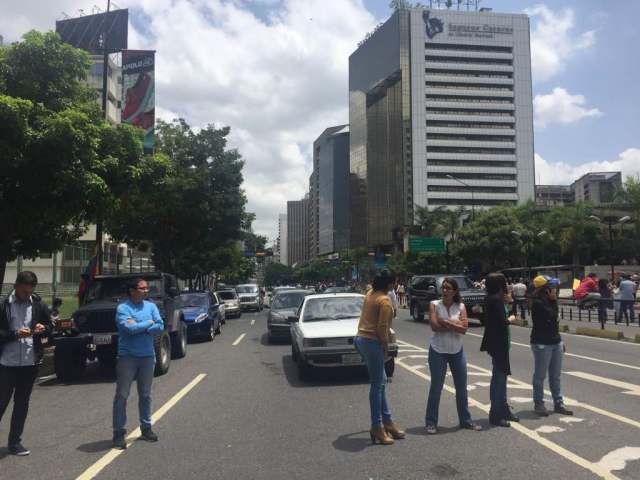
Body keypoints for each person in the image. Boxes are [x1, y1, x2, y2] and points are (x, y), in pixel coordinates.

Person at [0, 271, 53, 456]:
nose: (27, 296)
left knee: (21, 404)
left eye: (30, 292)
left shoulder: (37, 303)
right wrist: (15, 334)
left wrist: (43, 328)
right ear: (16, 286)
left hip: (30, 362)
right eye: (24, 292)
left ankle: (15, 443)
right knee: (1, 402)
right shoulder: (4, 304)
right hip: (7, 362)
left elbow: (50, 326)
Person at [112, 278, 164, 449]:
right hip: (128, 357)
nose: (146, 291)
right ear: (132, 290)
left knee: (146, 395)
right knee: (122, 395)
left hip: (148, 356)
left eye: (147, 288)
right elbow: (128, 329)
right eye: (143, 288)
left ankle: (146, 428)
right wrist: (149, 323)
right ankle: (119, 433)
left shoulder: (151, 306)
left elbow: (160, 326)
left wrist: (143, 325)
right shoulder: (123, 308)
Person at [425, 277, 481, 434]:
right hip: (438, 351)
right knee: (436, 387)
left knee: (462, 388)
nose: (445, 290)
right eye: (443, 287)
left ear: (455, 291)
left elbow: (464, 329)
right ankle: (431, 422)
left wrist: (446, 322)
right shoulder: (434, 305)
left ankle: (466, 420)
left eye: (448, 288)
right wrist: (454, 325)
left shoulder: (460, 306)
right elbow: (435, 326)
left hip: (457, 351)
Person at [354, 270, 405, 445]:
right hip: (372, 341)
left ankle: (388, 422)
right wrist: (385, 348)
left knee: (381, 381)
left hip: (361, 339)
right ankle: (377, 426)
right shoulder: (384, 301)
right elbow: (382, 329)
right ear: (390, 284)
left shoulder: (369, 294)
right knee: (377, 385)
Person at [530, 275, 573, 417]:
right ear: (545, 289)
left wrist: (560, 341)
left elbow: (554, 324)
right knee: (540, 375)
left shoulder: (549, 301)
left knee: (555, 375)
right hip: (542, 343)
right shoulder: (538, 303)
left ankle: (558, 402)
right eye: (552, 287)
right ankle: (539, 403)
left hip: (555, 341)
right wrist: (554, 301)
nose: (555, 290)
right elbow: (551, 316)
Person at [480, 272, 518, 427]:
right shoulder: (495, 300)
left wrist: (510, 301)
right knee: (499, 378)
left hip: (499, 343)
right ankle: (495, 413)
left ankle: (503, 409)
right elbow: (503, 321)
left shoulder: (493, 299)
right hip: (498, 343)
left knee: (502, 377)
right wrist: (511, 319)